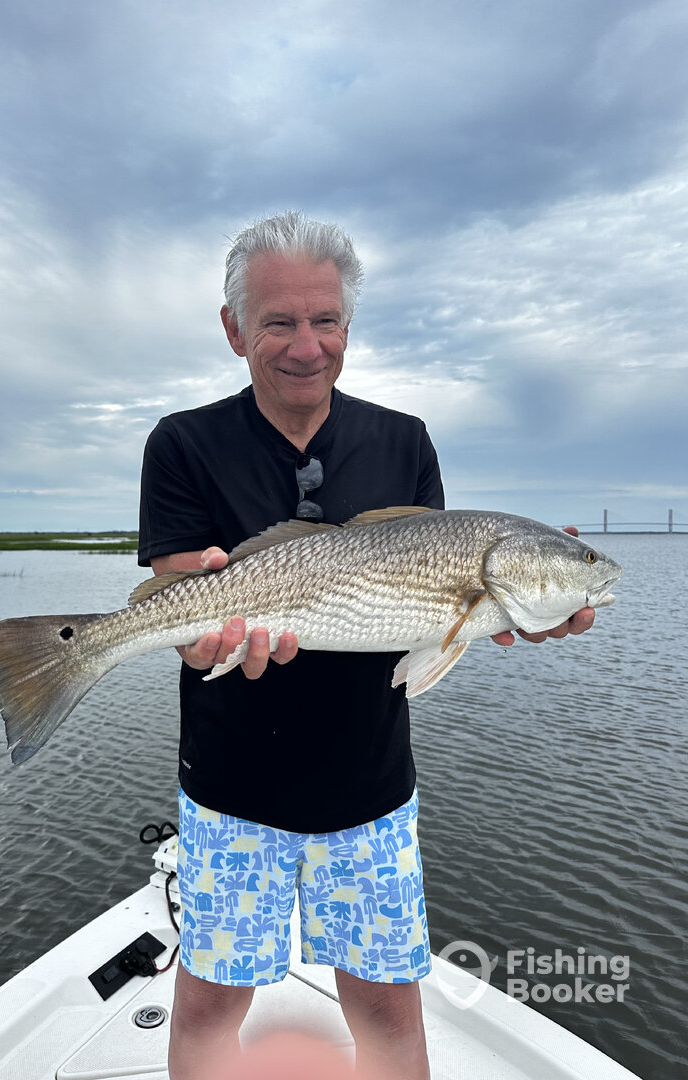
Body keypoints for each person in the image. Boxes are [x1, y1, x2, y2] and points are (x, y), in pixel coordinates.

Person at [138, 212, 594, 1080]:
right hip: (231, 790)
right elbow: (180, 609)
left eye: (327, 320)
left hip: (370, 791)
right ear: (234, 329)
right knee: (209, 1004)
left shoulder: (405, 439)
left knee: (387, 1008)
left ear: (349, 326)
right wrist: (205, 642)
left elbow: (439, 611)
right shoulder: (182, 444)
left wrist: (520, 613)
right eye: (278, 321)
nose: (307, 345)